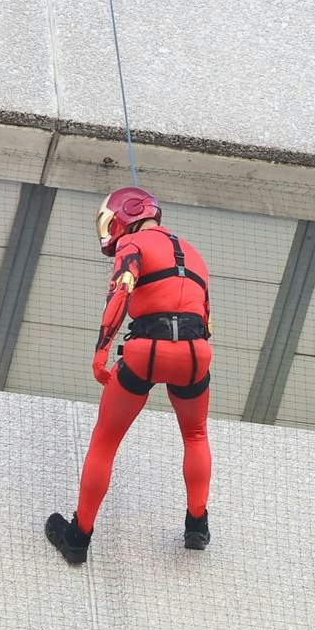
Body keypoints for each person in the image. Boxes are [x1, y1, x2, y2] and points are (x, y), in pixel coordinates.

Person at [43, 185, 215, 565]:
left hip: (147, 349)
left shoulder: (132, 244)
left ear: (124, 214)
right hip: (196, 353)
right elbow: (205, 317)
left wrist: (102, 349)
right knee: (195, 433)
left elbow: (121, 291)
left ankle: (78, 538)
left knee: (105, 440)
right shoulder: (196, 254)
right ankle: (197, 526)